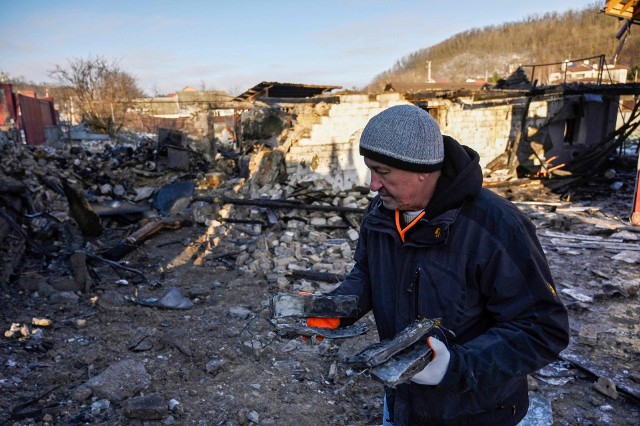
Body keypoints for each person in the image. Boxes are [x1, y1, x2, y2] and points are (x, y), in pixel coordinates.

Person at [317, 104, 570, 425]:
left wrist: (454, 365)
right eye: (371, 169)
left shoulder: (496, 226)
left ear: (422, 169)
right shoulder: (381, 213)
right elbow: (367, 274)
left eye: (383, 171)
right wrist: (334, 310)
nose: (373, 185)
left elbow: (543, 328)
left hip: (479, 414)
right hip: (403, 406)